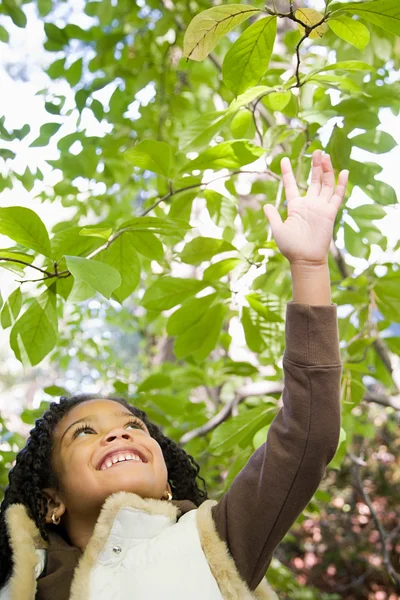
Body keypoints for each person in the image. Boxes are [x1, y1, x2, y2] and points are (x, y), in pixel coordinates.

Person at [0, 149, 348, 600]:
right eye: (83, 433)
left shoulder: (215, 540)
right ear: (51, 502)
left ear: (167, 483)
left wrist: (309, 268)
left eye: (133, 427)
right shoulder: (22, 585)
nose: (118, 436)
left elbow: (308, 434)